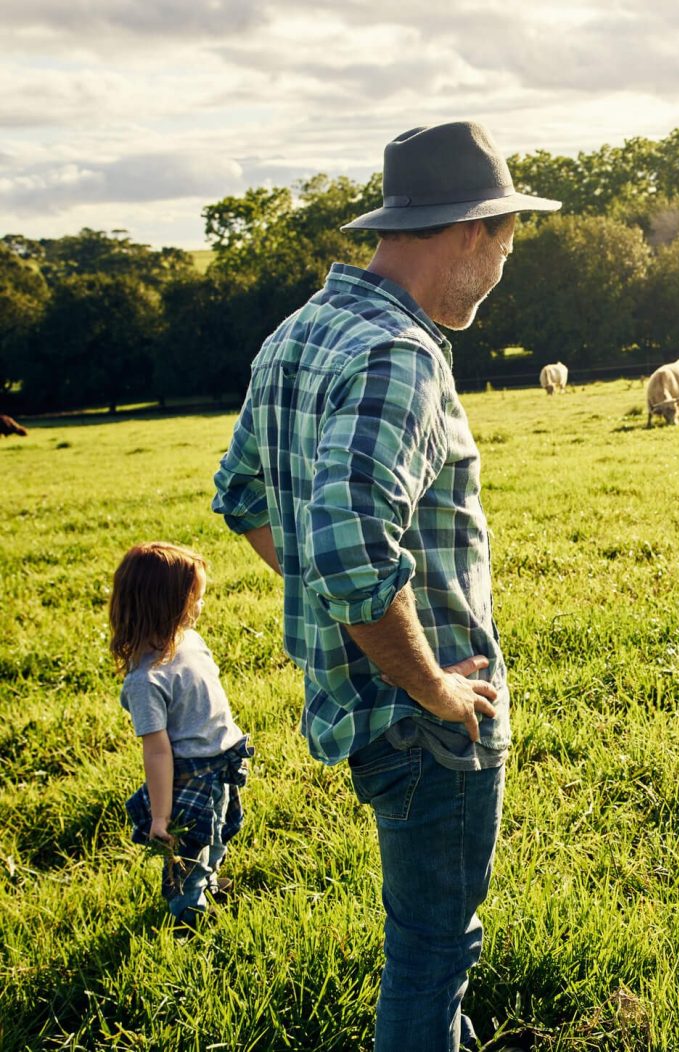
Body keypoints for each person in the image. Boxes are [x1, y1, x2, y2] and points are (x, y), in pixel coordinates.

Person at [211, 121, 560, 1051]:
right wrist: (434, 685)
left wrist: (333, 598)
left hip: (358, 702)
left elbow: (242, 491)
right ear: (471, 231)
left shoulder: (301, 332)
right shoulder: (400, 355)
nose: (504, 266)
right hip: (424, 721)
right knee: (433, 947)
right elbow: (351, 548)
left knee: (427, 937)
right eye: (508, 241)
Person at [111, 541, 252, 928]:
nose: (201, 606)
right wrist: (161, 815)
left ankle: (206, 882)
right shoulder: (145, 681)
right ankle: (189, 915)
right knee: (190, 850)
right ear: (166, 604)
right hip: (191, 772)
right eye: (195, 598)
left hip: (222, 761)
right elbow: (156, 752)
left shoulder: (188, 641)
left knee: (219, 831)